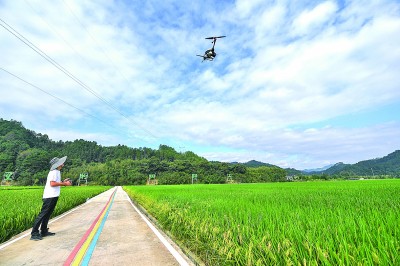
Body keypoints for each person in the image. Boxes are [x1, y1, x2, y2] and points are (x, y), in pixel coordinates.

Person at [30, 156, 72, 241]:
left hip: (54, 195)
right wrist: (65, 184)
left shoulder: (57, 172)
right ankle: (34, 233)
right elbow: (52, 184)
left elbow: (55, 183)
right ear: (57, 165)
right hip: (50, 196)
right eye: (61, 163)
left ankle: (44, 231)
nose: (63, 164)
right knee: (43, 214)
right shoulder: (54, 172)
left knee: (48, 214)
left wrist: (63, 182)